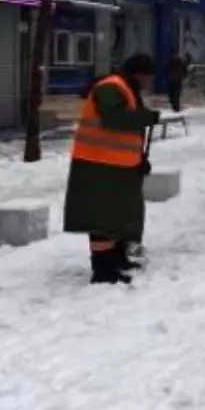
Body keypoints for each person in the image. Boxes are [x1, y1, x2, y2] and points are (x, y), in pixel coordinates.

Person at [63, 53, 161, 284]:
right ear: (139, 74)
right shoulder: (110, 87)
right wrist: (145, 117)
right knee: (102, 217)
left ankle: (117, 259)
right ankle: (103, 270)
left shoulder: (126, 88)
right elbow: (113, 118)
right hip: (97, 164)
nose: (148, 83)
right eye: (147, 77)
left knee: (118, 215)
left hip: (118, 164)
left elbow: (127, 133)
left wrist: (139, 159)